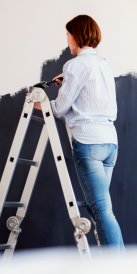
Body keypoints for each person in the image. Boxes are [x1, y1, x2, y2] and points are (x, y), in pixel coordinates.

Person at [38, 15, 124, 250]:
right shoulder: (104, 64)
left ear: (77, 35)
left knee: (102, 210)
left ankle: (118, 273)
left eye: (68, 36)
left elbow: (60, 109)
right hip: (109, 143)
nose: (67, 41)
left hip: (88, 142)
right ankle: (117, 271)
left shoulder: (74, 65)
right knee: (103, 210)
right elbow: (89, 94)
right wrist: (66, 84)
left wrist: (42, 103)